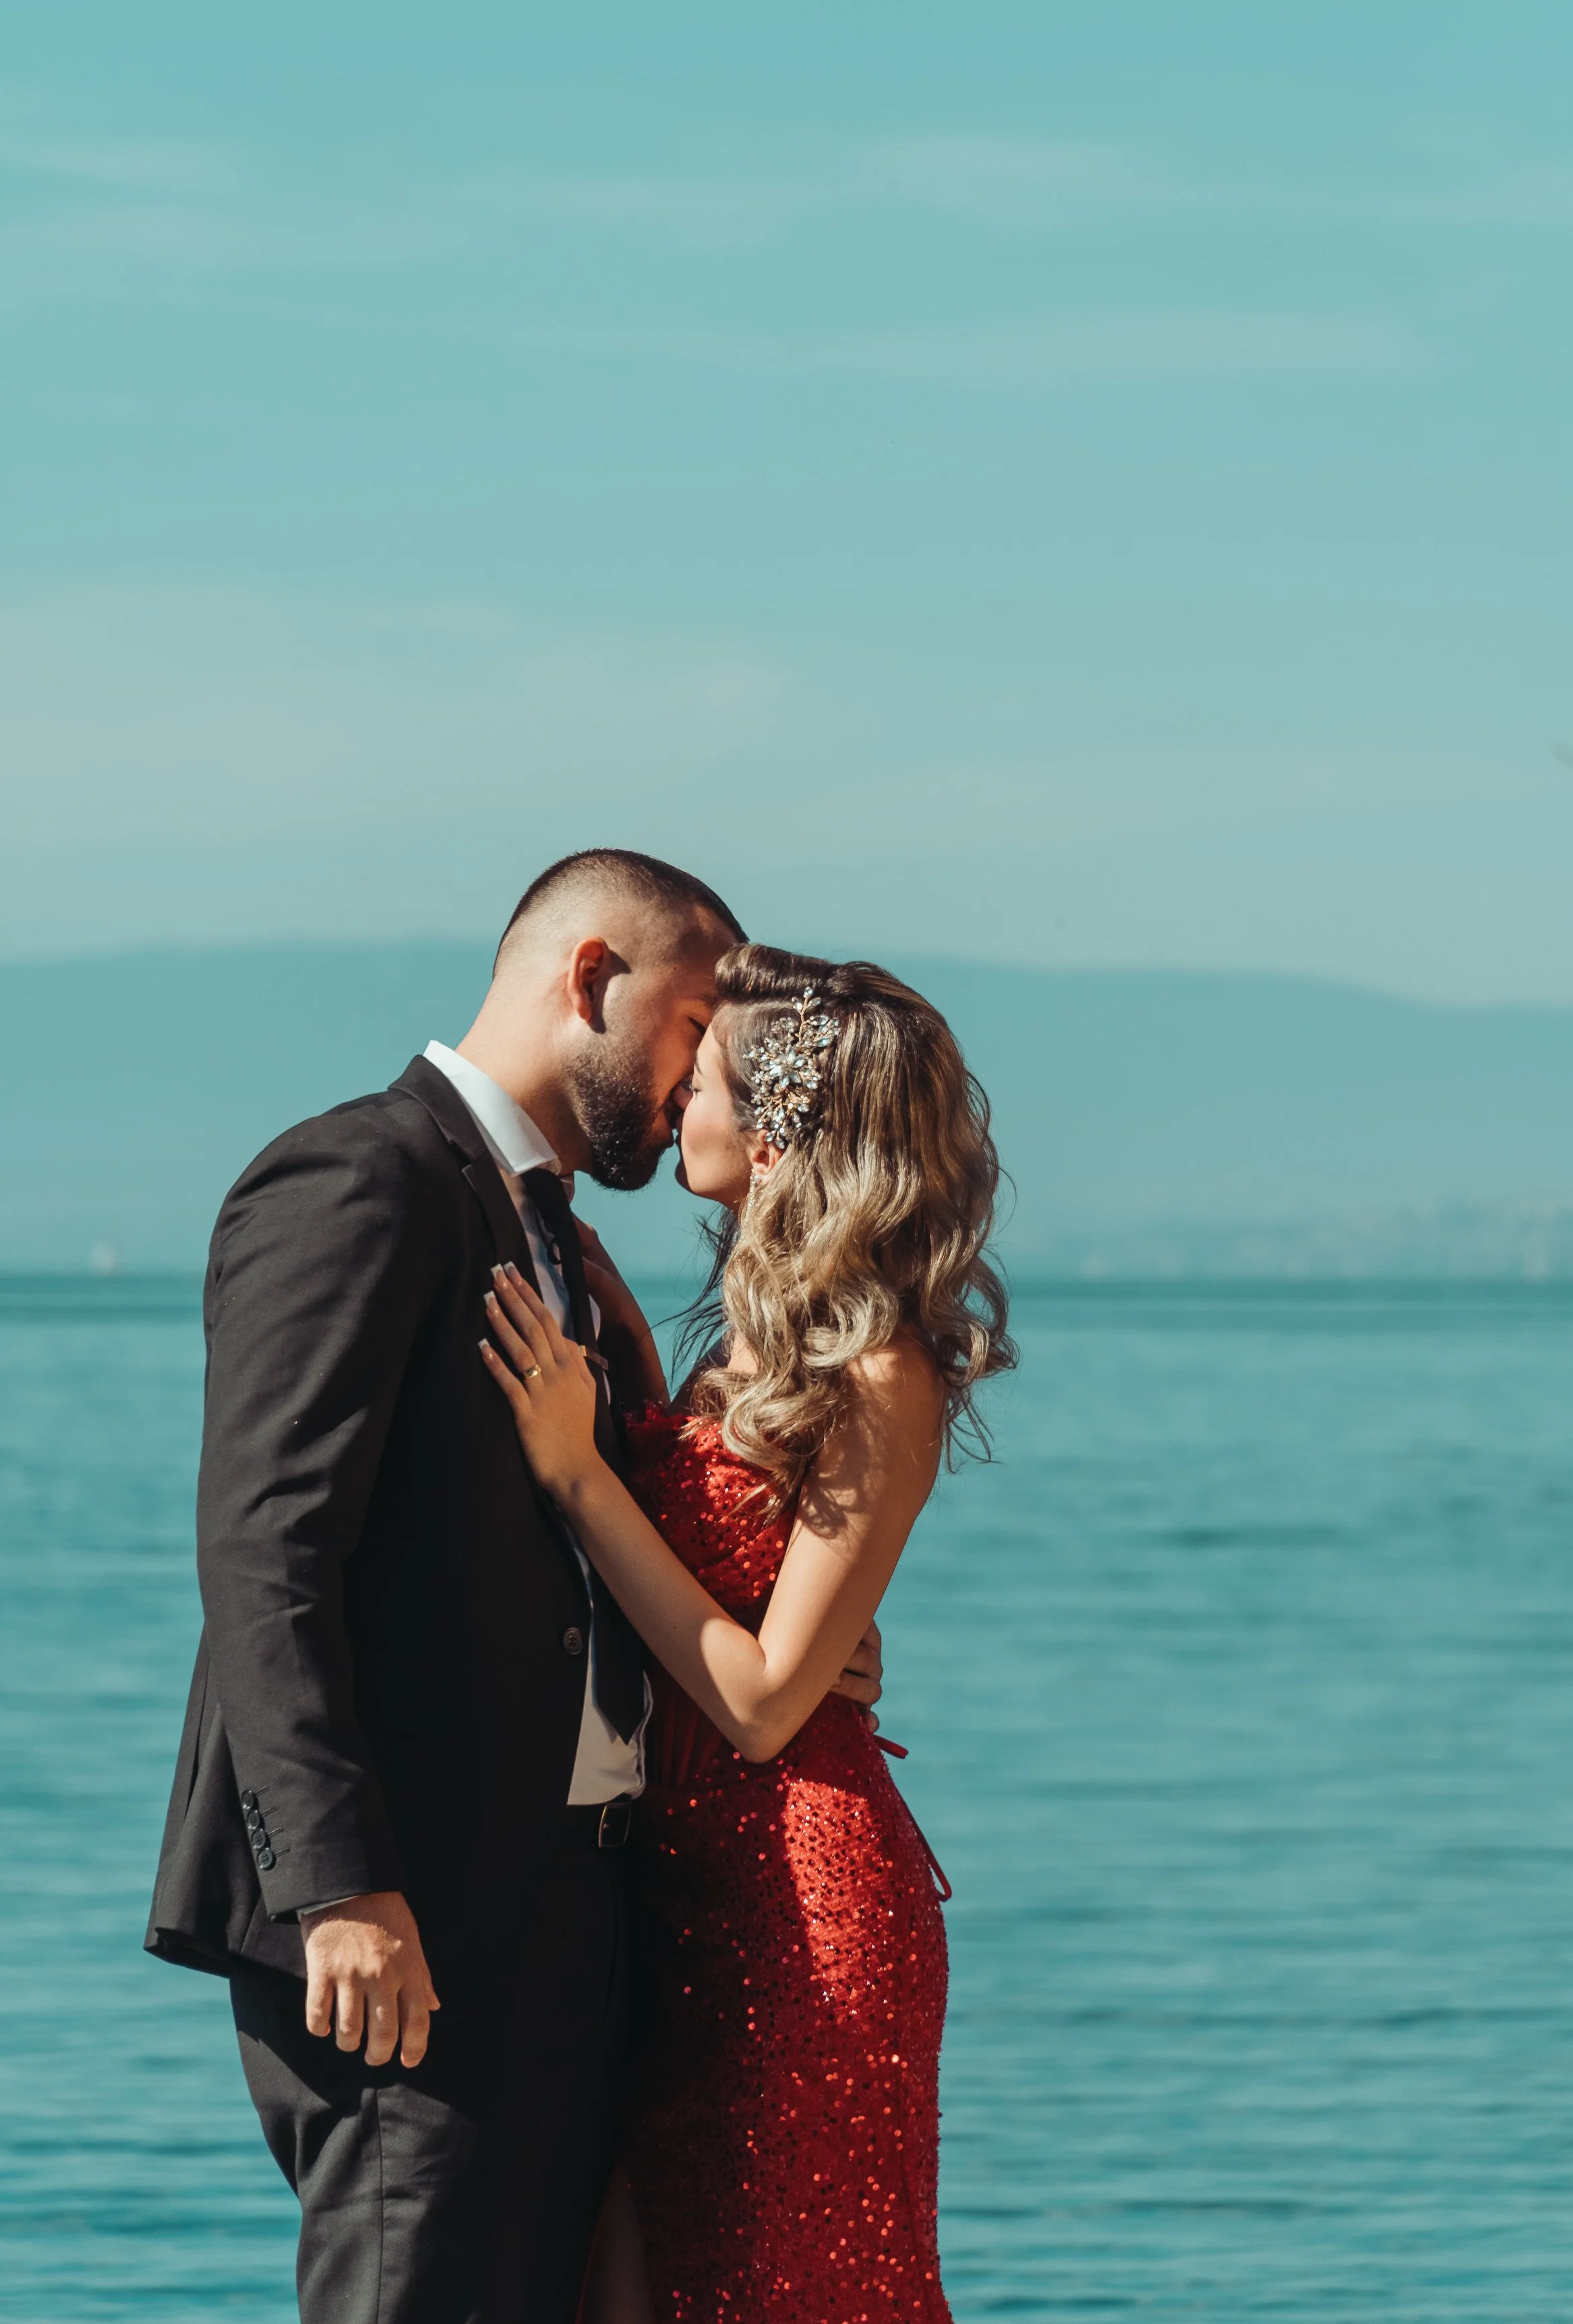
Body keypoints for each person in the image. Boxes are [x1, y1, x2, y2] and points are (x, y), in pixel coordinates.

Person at [144, 852, 885, 2324]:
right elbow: (266, 1550)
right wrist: (339, 1885)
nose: (701, 1083)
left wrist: (791, 1640)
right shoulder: (360, 1177)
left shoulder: (562, 1249)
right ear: (592, 979)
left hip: (579, 1921)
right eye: (694, 1028)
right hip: (408, 1916)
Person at [479, 943, 1014, 2323]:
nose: (673, 1105)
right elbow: (732, 1580)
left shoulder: (880, 1368)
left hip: (803, 1911)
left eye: (701, 1077)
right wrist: (629, 1373)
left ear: (774, 1129)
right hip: (679, 1890)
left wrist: (578, 1473)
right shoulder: (739, 1348)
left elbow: (767, 1701)